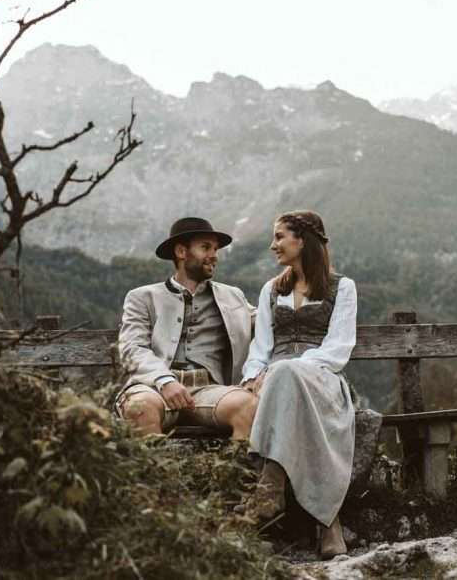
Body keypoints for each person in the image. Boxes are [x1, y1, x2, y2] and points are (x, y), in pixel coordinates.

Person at [239, 209, 357, 559]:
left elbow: (338, 348)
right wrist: (252, 378)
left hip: (323, 379)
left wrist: (287, 370)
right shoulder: (271, 290)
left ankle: (268, 488)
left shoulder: (343, 288)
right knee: (283, 379)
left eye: (279, 236)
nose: (272, 244)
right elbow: (260, 349)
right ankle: (329, 523)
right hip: (275, 384)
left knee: (287, 374)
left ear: (301, 240)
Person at [115, 217, 258, 439]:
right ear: (181, 252)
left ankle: (235, 472)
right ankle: (157, 474)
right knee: (139, 407)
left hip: (209, 392)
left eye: (216, 249)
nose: (214, 255)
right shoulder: (142, 297)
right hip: (154, 388)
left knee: (247, 406)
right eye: (205, 247)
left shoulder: (233, 296)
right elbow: (132, 348)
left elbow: (268, 323)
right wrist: (164, 380)